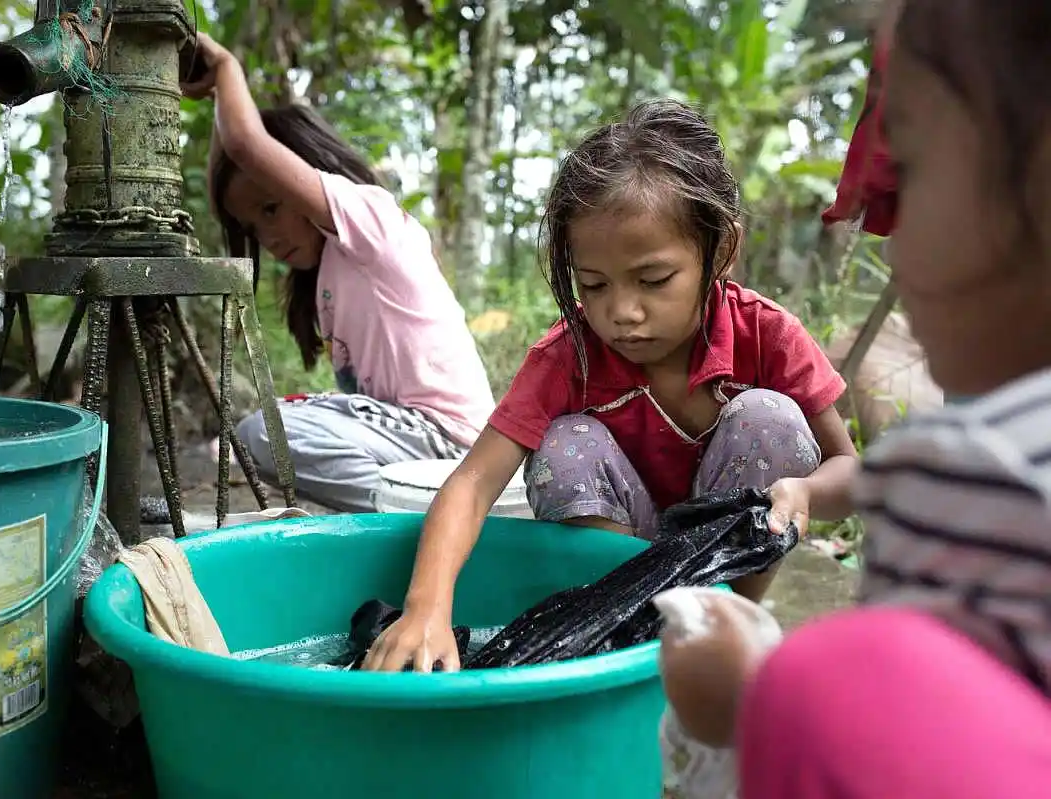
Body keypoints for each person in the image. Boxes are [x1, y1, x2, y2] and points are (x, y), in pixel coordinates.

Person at [361, 99, 860, 673]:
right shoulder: (568, 354)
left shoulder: (766, 335)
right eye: (593, 285)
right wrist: (426, 610)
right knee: (567, 442)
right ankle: (626, 634)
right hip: (618, 576)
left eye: (653, 280)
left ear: (720, 250)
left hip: (726, 564)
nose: (622, 312)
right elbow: (472, 483)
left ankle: (727, 630)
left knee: (769, 420)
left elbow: (848, 470)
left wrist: (804, 495)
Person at [729, 2, 1051, 796]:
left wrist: (732, 700)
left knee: (826, 677)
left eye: (906, 171)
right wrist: (804, 490)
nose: (892, 235)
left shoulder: (972, 469)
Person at [181, 34, 495, 512]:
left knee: (264, 428)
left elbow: (246, 147)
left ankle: (424, 516)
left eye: (272, 208)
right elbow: (233, 177)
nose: (266, 234)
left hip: (452, 443)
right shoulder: (328, 271)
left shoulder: (373, 224)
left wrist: (226, 68)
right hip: (414, 442)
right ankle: (414, 512)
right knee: (267, 423)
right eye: (252, 225)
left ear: (308, 173)